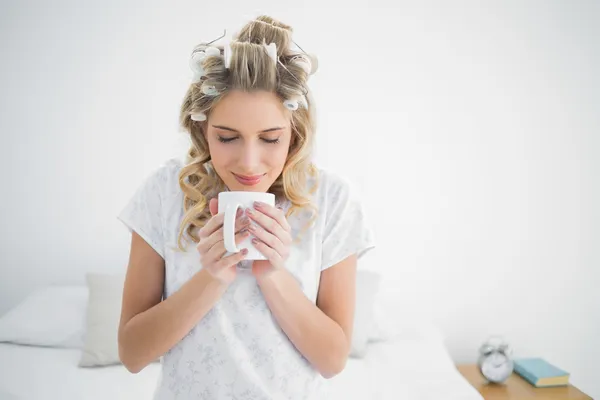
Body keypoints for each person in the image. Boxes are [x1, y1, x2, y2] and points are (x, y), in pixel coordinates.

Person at [116, 15, 375, 400]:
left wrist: (272, 274)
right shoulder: (166, 193)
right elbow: (132, 354)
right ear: (204, 130)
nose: (249, 163)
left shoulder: (331, 201)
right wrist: (212, 277)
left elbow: (333, 360)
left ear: (295, 132)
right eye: (227, 137)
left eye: (270, 139)